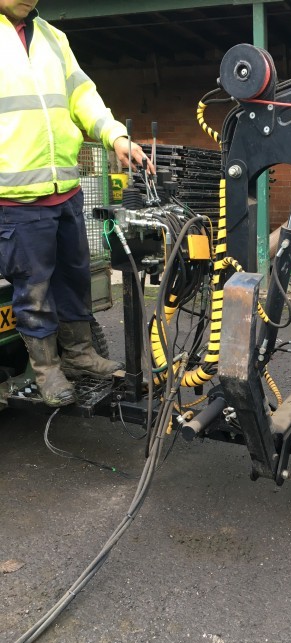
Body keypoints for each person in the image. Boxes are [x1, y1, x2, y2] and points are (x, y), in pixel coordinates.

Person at [0, 0, 153, 407]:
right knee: (33, 288)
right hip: (16, 198)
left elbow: (83, 97)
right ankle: (47, 370)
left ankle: (80, 354)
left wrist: (116, 136)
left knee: (73, 277)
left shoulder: (54, 38)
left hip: (65, 190)